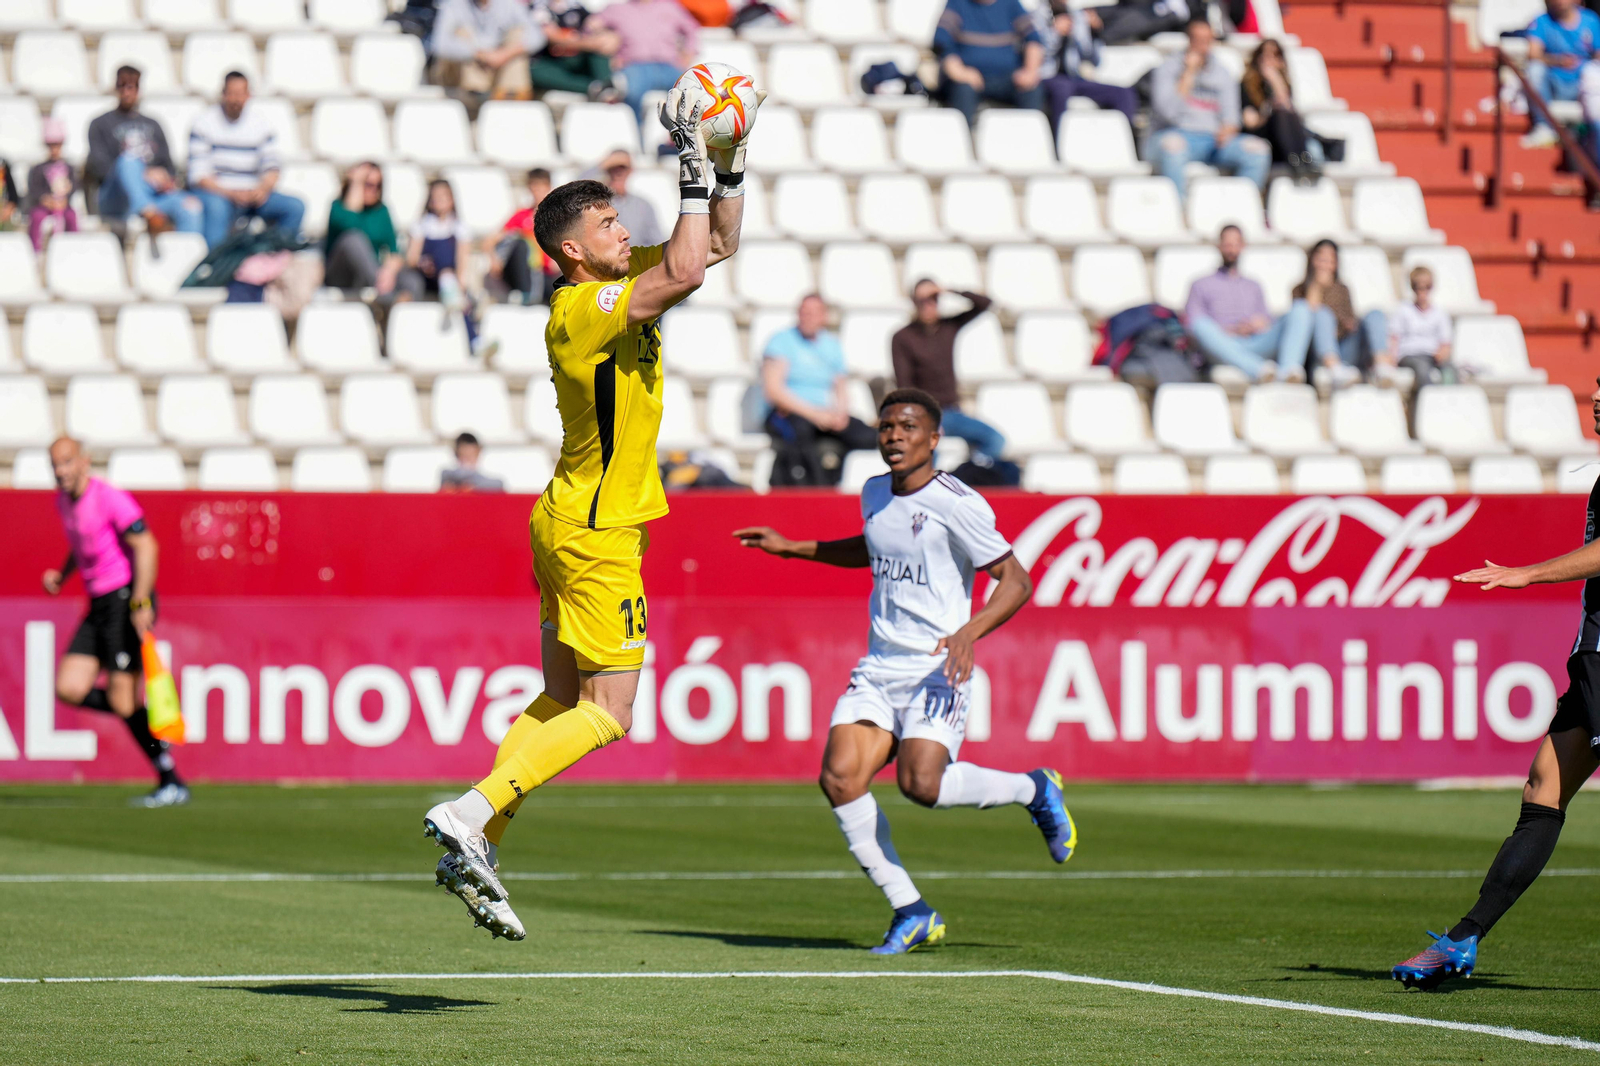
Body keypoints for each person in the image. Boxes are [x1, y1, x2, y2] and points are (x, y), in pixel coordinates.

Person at [421, 87, 750, 940]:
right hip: (598, 533)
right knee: (613, 711)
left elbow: (714, 244)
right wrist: (686, 166)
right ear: (572, 250)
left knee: (560, 697)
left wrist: (728, 163)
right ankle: (471, 811)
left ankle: (480, 838)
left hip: (569, 520)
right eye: (608, 225)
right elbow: (680, 267)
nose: (621, 231)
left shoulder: (620, 278)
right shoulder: (579, 311)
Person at [733, 388, 1075, 955]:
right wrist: (795, 548)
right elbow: (870, 547)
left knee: (922, 786)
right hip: (880, 665)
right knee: (840, 778)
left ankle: (1034, 788)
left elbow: (1016, 580)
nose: (894, 435)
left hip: (939, 665)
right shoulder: (872, 492)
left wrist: (969, 632)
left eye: (908, 427)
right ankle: (910, 909)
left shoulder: (958, 502)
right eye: (887, 426)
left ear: (933, 438)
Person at [1392, 409, 1600, 988]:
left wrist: (1527, 574)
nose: (1598, 398)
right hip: (1592, 660)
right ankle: (1463, 938)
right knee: (1543, 789)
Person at [41, 437, 188, 808]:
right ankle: (142, 716)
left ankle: (169, 776)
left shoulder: (109, 498)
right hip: (98, 603)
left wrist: (141, 600)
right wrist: (62, 574)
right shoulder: (64, 503)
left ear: (85, 462)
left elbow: (147, 546)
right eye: (55, 464)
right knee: (70, 687)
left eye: (67, 462)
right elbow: (83, 544)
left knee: (123, 701)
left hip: (125, 598)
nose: (61, 471)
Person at [762, 293, 879, 486]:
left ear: (824, 316)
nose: (807, 317)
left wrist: (840, 414)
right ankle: (817, 493)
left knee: (868, 436)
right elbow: (774, 391)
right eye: (804, 312)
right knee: (800, 437)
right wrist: (814, 415)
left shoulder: (832, 345)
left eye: (813, 313)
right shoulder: (781, 341)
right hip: (790, 413)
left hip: (824, 415)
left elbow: (841, 387)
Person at [1148, 20, 1272, 197]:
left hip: (1213, 141)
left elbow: (1232, 117)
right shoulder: (1167, 68)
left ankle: (1240, 209)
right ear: (1189, 40)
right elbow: (1168, 114)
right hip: (1173, 134)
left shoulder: (1222, 73)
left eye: (1207, 40)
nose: (1203, 46)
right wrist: (1188, 74)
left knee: (1258, 151)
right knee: (1173, 147)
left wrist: (1228, 129)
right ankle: (1178, 213)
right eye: (1198, 40)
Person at [891, 279, 1008, 467]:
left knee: (995, 440)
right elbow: (904, 385)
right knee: (927, 451)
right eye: (923, 300)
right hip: (924, 413)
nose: (929, 304)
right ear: (914, 302)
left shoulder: (948, 327)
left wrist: (948, 289)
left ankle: (967, 474)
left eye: (933, 299)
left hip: (952, 412)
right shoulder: (902, 337)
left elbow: (985, 303)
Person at [188, 72, 305, 249]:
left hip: (253, 194)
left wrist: (263, 189)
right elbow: (199, 176)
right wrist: (232, 193)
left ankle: (271, 259)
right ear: (223, 93)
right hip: (220, 194)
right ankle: (216, 266)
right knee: (216, 208)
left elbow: (272, 167)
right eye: (232, 93)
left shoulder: (261, 124)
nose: (236, 99)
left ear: (248, 95)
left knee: (295, 207)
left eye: (240, 93)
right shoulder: (203, 123)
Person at [1184, 225, 1314, 383]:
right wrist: (1229, 330)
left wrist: (1257, 324)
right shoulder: (1200, 284)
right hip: (1223, 346)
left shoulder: (1254, 285)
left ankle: (1289, 372)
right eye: (1227, 244)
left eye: (1235, 244)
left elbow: (1267, 321)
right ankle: (1259, 370)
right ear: (1219, 246)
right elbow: (1193, 326)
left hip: (1256, 342)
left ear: (1243, 246)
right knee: (1200, 324)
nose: (1231, 250)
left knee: (1300, 308)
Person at [85, 65, 201, 236]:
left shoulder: (153, 124)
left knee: (191, 206)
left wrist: (164, 177)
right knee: (128, 161)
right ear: (115, 88)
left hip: (153, 194)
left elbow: (168, 166)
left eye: (132, 86)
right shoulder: (99, 124)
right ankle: (148, 212)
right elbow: (100, 169)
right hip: (115, 198)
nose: (127, 91)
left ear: (139, 89)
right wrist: (142, 173)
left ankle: (191, 259)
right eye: (122, 85)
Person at [403, 179, 496, 358]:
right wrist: (424, 264)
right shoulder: (422, 225)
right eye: (435, 197)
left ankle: (474, 338)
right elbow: (412, 258)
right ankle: (475, 340)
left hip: (449, 278)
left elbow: (462, 260)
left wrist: (459, 284)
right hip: (427, 277)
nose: (439, 200)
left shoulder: (459, 227)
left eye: (443, 196)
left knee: (452, 282)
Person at [933, 0, 1046, 129]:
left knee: (1032, 89)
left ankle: (1028, 140)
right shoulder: (957, 3)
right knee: (963, 90)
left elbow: (1034, 41)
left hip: (1007, 79)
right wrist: (961, 72)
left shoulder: (1011, 3)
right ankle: (964, 143)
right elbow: (941, 44)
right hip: (969, 79)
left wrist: (1030, 71)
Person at [1289, 240, 1384, 388]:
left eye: (1330, 260)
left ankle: (1382, 367)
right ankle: (1334, 368)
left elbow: (1349, 320)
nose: (1325, 265)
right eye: (1322, 259)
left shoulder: (1343, 290)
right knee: (1322, 315)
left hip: (1345, 346)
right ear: (1312, 260)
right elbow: (1303, 323)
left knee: (1375, 314)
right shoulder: (1298, 289)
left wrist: (1347, 325)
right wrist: (1317, 287)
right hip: (1317, 352)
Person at [1036, 0, 1140, 130]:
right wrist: (1055, 33)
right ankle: (1057, 142)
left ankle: (1126, 141)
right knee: (1062, 88)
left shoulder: (1077, 16)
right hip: (1045, 77)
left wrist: (1094, 34)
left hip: (1073, 77)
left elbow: (1094, 61)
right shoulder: (1035, 16)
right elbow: (1035, 54)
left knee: (1123, 93)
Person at [324, 161, 417, 301]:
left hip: (372, 273)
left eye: (378, 185)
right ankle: (384, 297)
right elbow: (349, 224)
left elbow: (394, 250)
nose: (374, 190)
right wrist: (356, 183)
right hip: (340, 275)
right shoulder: (338, 207)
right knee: (353, 239)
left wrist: (389, 271)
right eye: (368, 184)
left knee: (411, 280)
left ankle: (399, 313)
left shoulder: (381, 211)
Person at [596, 0, 701, 121]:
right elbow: (590, 27)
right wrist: (607, 42)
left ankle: (679, 137)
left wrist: (688, 54)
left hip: (669, 66)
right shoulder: (616, 9)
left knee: (689, 92)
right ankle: (637, 136)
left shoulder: (669, 7)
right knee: (631, 92)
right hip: (634, 66)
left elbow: (691, 28)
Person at [1241, 38, 1323, 182]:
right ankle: (1296, 160)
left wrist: (1275, 80)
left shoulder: (1283, 84)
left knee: (1286, 113)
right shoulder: (1246, 86)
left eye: (1275, 55)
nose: (1270, 60)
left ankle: (1300, 159)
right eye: (1265, 55)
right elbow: (1250, 122)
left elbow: (1288, 107)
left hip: (1282, 140)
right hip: (1261, 136)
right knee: (1280, 114)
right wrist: (1268, 111)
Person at [1522, 0, 1600, 148]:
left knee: (1594, 73)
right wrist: (1558, 61)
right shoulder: (1541, 21)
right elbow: (1533, 54)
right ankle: (1544, 126)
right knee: (1534, 69)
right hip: (1554, 83)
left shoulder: (1591, 20)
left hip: (1583, 85)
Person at [430, 0, 542, 101]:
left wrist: (503, 55)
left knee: (518, 34)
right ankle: (475, 98)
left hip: (498, 68)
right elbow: (440, 45)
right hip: (464, 73)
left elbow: (537, 37)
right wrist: (479, 54)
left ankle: (511, 95)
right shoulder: (454, 5)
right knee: (461, 33)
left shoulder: (510, 4)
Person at [487, 167, 558, 303]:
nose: (537, 192)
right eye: (534, 187)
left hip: (547, 274)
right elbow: (491, 241)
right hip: (526, 272)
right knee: (520, 243)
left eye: (541, 187)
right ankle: (527, 293)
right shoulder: (521, 216)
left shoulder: (558, 218)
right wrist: (494, 259)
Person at [1379, 265, 1455, 389]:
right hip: (1409, 355)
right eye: (1418, 287)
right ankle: (1429, 402)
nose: (1423, 291)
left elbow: (1445, 344)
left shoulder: (1440, 313)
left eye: (1427, 286)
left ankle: (1449, 402)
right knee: (1422, 369)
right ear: (1413, 288)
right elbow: (1394, 338)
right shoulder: (1403, 310)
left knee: (1450, 371)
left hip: (1432, 356)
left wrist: (1442, 354)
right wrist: (1392, 358)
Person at [530, 0, 621, 101]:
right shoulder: (539, 7)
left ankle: (606, 88)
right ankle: (596, 88)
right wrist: (589, 43)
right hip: (553, 62)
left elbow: (607, 38)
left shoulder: (577, 7)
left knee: (600, 52)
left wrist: (579, 41)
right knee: (536, 72)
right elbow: (553, 38)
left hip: (578, 60)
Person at [585, 149, 664, 248]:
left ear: (630, 171)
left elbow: (656, 241)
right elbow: (575, 191)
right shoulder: (595, 202)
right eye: (613, 167)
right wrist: (602, 164)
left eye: (623, 167)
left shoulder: (643, 205)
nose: (618, 172)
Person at [26, 120, 79, 252]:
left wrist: (64, 200)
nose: (54, 149)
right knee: (36, 216)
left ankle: (73, 248)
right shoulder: (38, 168)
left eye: (57, 145)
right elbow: (34, 189)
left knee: (71, 216)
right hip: (44, 206)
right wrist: (45, 200)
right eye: (51, 146)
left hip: (63, 205)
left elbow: (74, 187)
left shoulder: (69, 168)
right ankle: (35, 250)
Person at [440, 432, 506, 492]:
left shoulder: (482, 480)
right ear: (456, 454)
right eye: (464, 455)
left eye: (471, 455)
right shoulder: (448, 475)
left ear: (478, 452)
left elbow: (498, 484)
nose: (468, 459)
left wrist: (474, 486)